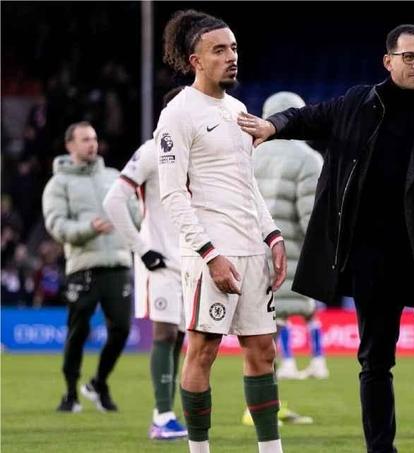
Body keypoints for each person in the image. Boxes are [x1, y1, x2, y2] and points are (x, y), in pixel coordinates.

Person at [240, 24, 414, 453]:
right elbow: (304, 117)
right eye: (409, 56)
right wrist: (272, 125)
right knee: (374, 363)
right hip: (374, 262)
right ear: (388, 61)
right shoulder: (356, 104)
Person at [156, 10, 286, 453]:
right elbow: (173, 195)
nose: (231, 57)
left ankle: (271, 449)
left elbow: (247, 184)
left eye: (233, 48)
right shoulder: (178, 114)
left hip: (251, 250)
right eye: (219, 50)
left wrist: (272, 235)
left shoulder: (237, 111)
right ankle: (199, 450)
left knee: (263, 351)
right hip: (211, 254)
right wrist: (209, 254)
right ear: (196, 61)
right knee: (203, 350)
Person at [102, 87, 188, 439]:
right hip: (160, 261)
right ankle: (163, 416)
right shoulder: (153, 151)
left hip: (193, 263)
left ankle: (165, 414)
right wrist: (141, 248)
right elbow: (113, 200)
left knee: (181, 338)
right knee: (165, 333)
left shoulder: (198, 153)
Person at [42, 121, 133, 413]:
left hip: (118, 264)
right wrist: (89, 229)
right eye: (84, 139)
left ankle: (99, 383)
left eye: (93, 138)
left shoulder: (113, 177)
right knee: (77, 332)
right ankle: (70, 393)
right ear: (70, 145)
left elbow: (135, 211)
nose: (92, 144)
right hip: (83, 267)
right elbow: (56, 225)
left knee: (121, 329)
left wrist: (135, 223)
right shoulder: (58, 184)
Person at [253, 91, 328, 381]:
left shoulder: (252, 156)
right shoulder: (308, 159)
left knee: (275, 311)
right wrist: (322, 249)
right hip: (296, 247)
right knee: (308, 309)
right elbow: (311, 213)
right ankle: (316, 361)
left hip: (259, 246)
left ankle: (286, 364)